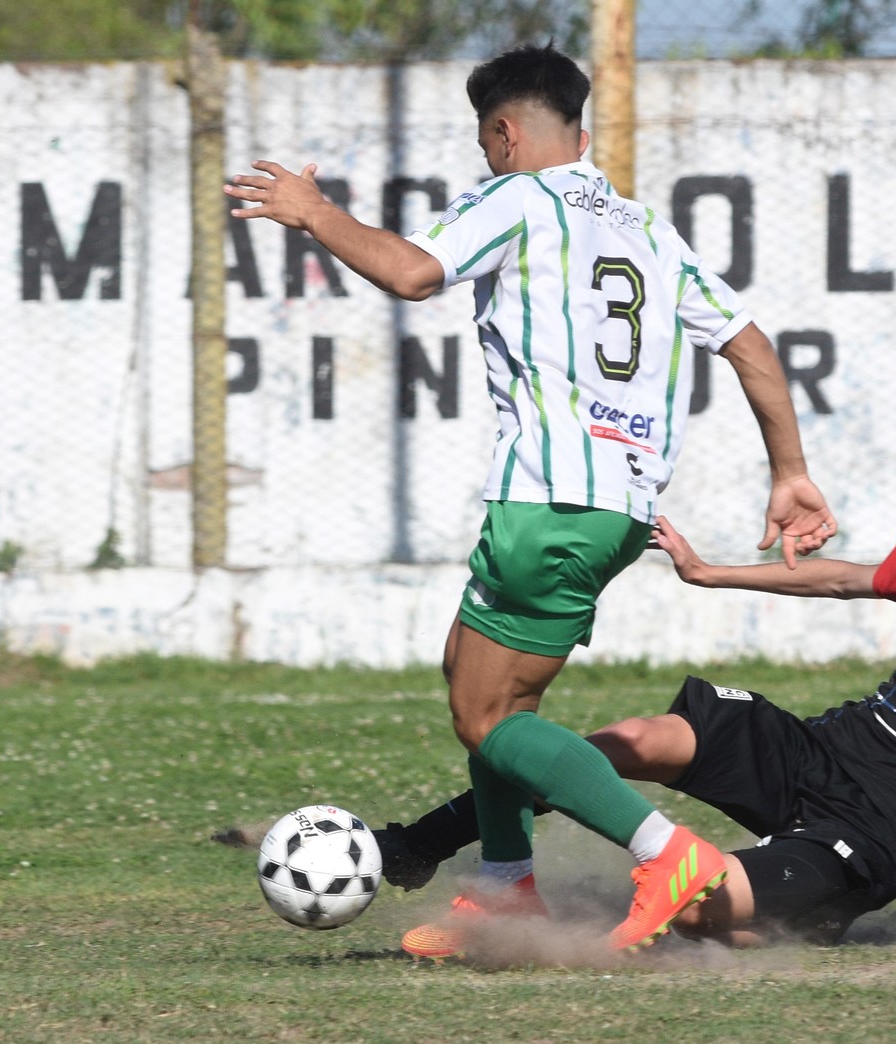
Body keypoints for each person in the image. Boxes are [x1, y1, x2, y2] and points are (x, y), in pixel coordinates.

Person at [222, 44, 836, 957]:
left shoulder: (513, 200)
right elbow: (748, 343)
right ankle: (507, 885)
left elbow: (412, 273)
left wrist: (315, 214)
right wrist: (790, 470)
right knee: (467, 669)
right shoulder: (645, 230)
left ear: (505, 133)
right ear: (580, 131)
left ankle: (667, 855)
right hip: (614, 506)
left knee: (491, 719)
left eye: (486, 143)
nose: (486, 159)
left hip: (548, 499)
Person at [345, 464, 896, 947]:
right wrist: (711, 574)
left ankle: (539, 928)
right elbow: (842, 576)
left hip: (880, 839)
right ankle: (428, 846)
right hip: (827, 750)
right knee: (627, 740)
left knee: (706, 919)